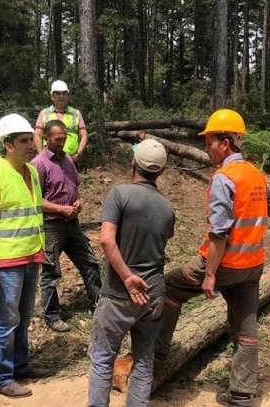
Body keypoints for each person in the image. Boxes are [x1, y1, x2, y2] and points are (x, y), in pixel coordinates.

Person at [154, 109, 270, 407]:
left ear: (226, 144)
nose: (206, 148)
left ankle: (155, 361)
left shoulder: (224, 178)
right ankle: (242, 393)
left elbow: (219, 233)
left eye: (209, 142)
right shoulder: (255, 174)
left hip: (225, 264)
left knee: (169, 287)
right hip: (253, 265)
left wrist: (209, 274)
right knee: (246, 327)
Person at [87, 139, 176, 407]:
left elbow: (106, 240)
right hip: (153, 296)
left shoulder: (119, 195)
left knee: (103, 356)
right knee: (144, 359)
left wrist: (127, 277)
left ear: (133, 164)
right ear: (161, 171)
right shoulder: (167, 208)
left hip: (118, 293)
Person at [0, 113, 52, 399]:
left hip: (31, 256)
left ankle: (20, 365)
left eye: (31, 139)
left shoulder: (31, 171)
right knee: (6, 319)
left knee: (23, 316)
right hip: (7, 262)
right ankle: (0, 376)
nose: (31, 145)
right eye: (23, 141)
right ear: (8, 145)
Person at [31, 119, 102, 332]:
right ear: (46, 138)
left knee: (90, 263)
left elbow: (74, 185)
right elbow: (35, 201)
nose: (62, 142)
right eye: (57, 139)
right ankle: (51, 315)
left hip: (72, 223)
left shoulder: (68, 160)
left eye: (64, 138)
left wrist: (77, 200)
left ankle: (98, 305)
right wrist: (61, 209)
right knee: (51, 272)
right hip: (51, 226)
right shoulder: (38, 164)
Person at [34, 80, 89, 163]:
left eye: (64, 93)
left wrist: (78, 154)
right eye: (58, 93)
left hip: (71, 160)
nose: (61, 96)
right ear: (52, 96)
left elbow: (84, 136)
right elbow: (37, 135)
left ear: (67, 96)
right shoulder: (44, 113)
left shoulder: (76, 113)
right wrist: (41, 155)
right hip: (49, 160)